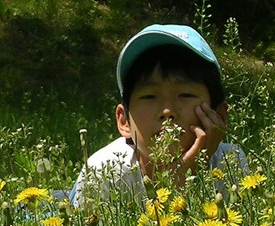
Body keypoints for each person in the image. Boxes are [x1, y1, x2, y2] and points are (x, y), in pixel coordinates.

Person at [69, 24, 247, 207]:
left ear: (219, 116)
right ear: (124, 121)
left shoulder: (230, 163)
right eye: (149, 96)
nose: (167, 111)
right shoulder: (103, 173)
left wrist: (188, 175)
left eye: (185, 95)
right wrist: (175, 185)